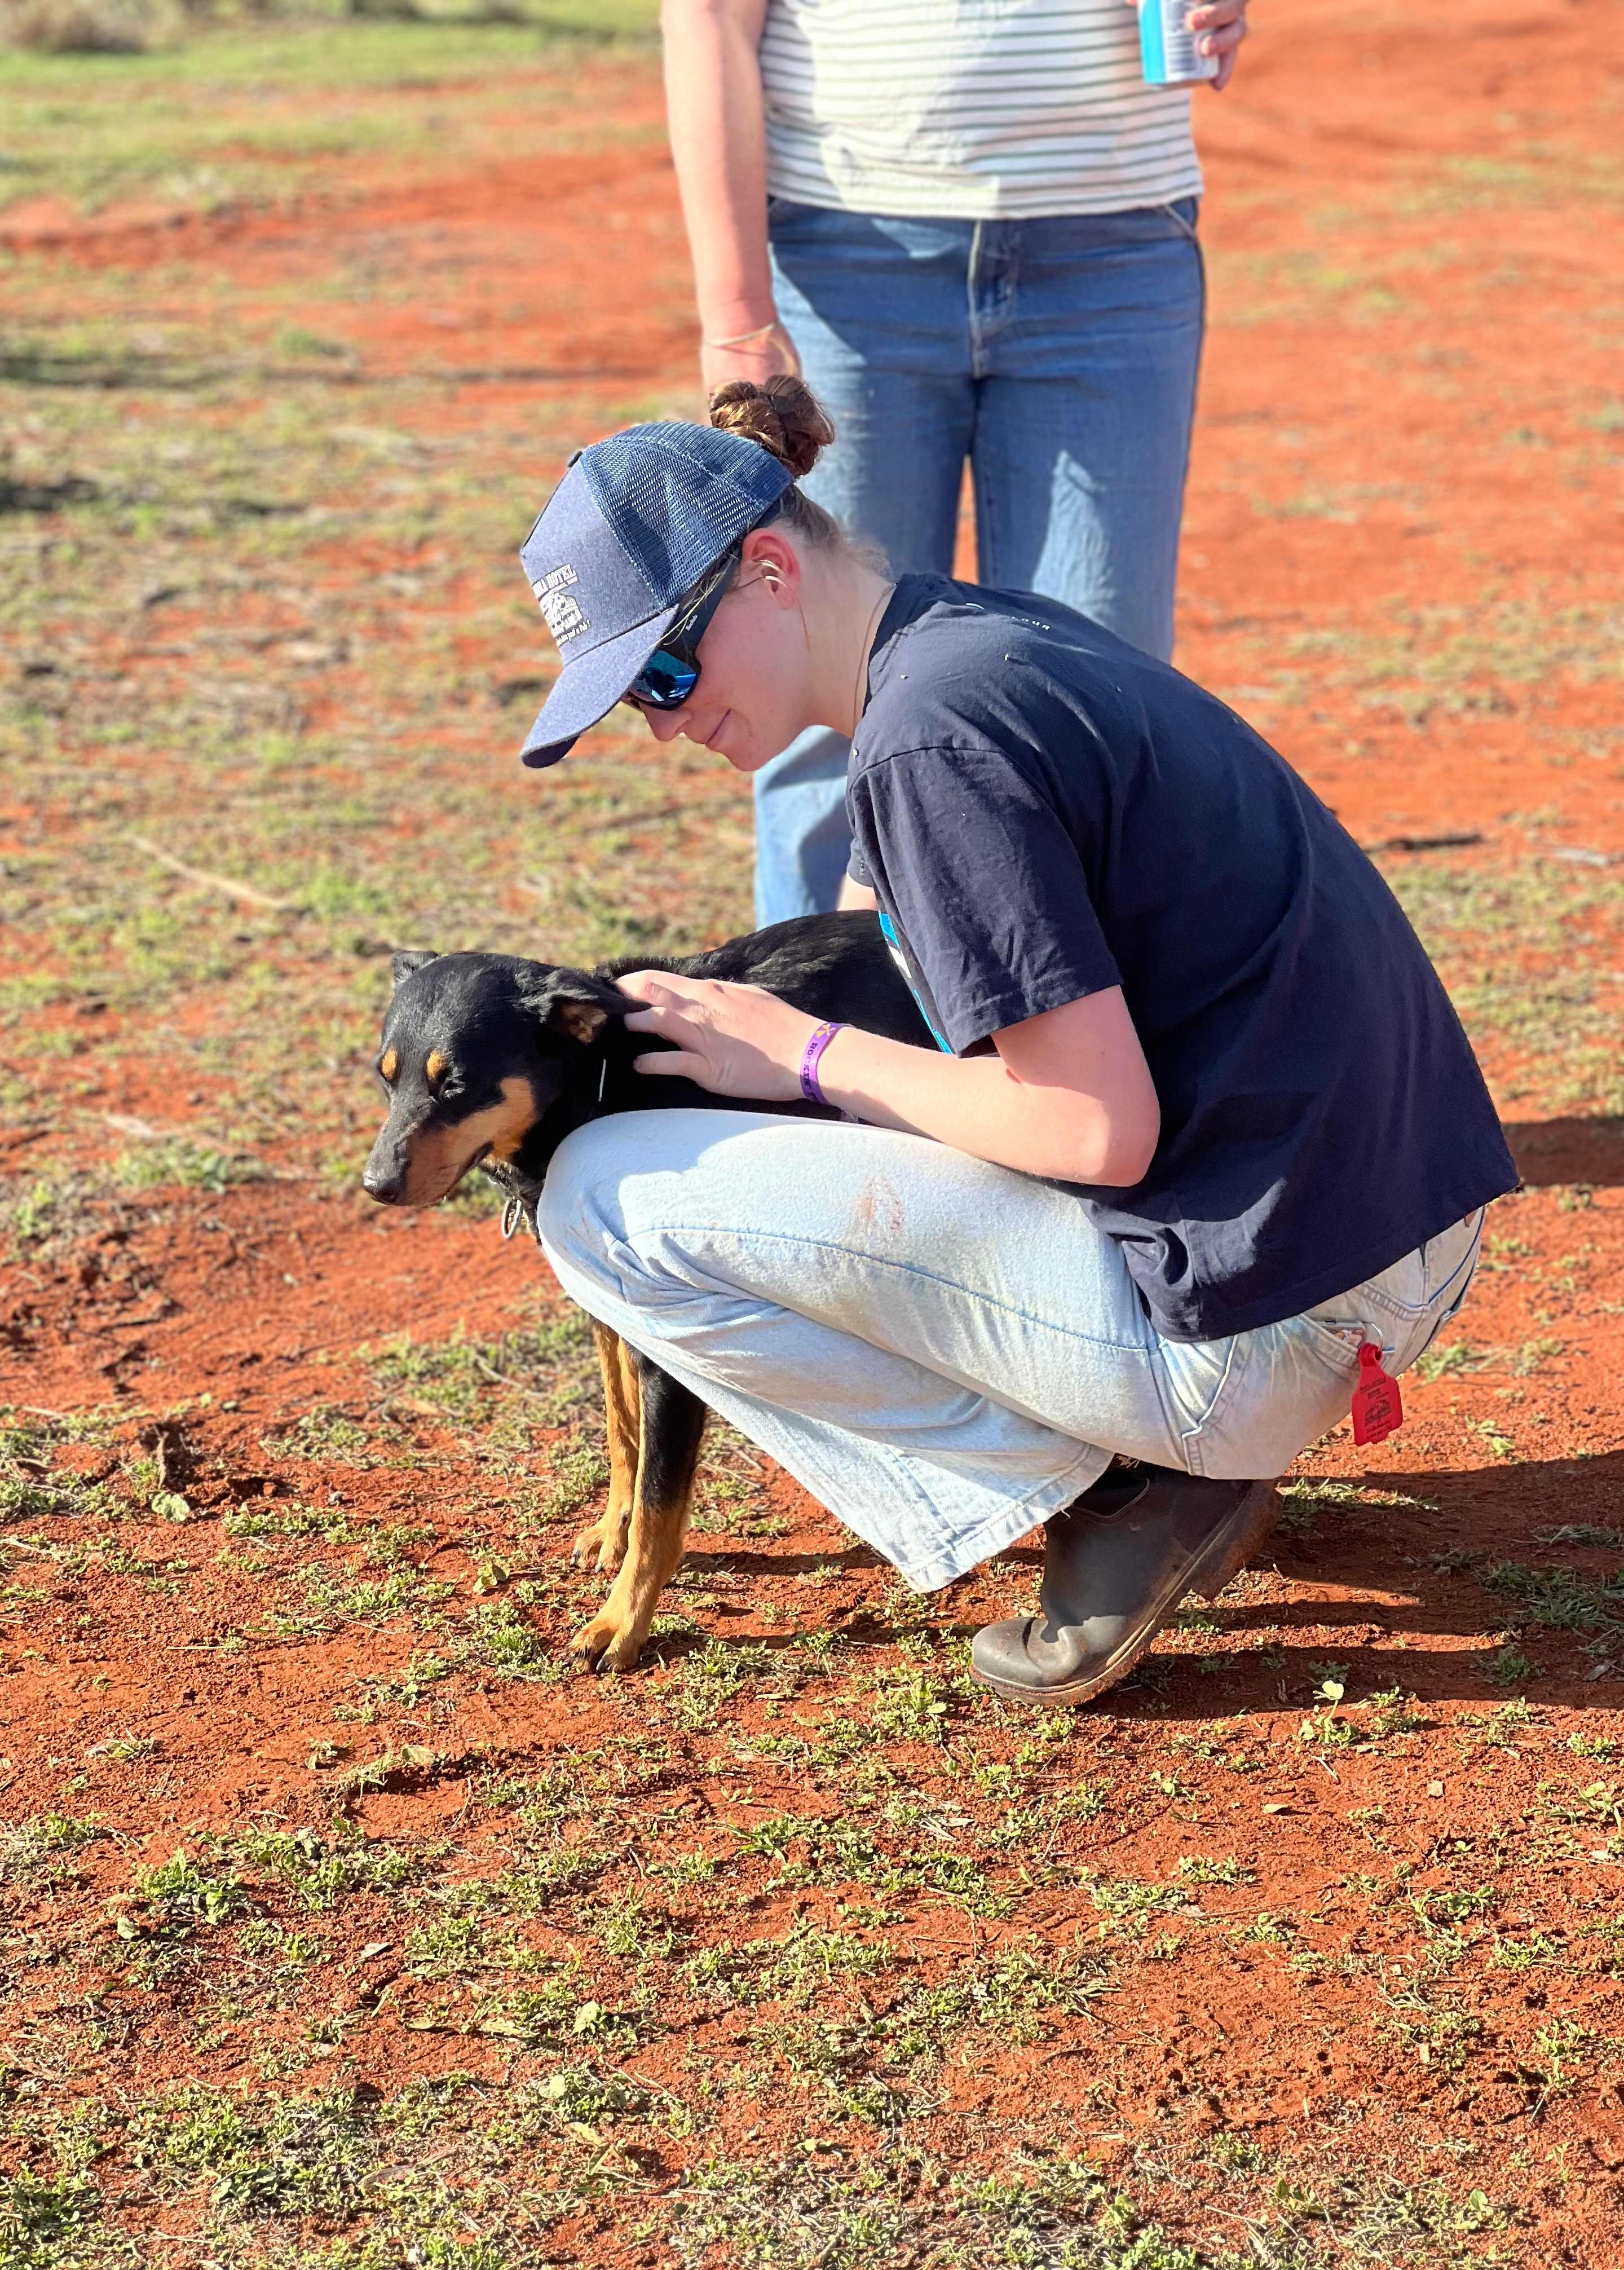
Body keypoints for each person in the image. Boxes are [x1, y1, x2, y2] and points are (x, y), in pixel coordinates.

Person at [512, 377, 1517, 1705]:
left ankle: (1127, 1490)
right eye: (629, 699)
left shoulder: (930, 742)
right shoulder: (961, 642)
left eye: (663, 669)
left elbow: (1097, 1131)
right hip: (1375, 1239)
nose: (660, 722)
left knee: (602, 1199)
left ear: (767, 571)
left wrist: (804, 1060)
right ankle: (1159, 1458)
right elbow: (922, 978)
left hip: (1285, 1315)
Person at [661, 0, 1252, 926]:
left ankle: (1080, 1050)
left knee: (1096, 701)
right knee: (814, 689)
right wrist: (736, 316)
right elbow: (706, 16)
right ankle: (810, 1053)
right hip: (848, 260)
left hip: (1115, 251)